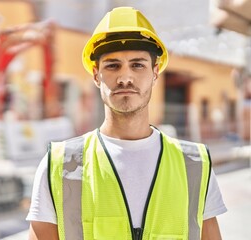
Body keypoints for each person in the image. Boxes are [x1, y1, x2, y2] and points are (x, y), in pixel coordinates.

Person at [26, 7, 227, 240]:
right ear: (95, 75)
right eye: (112, 65)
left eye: (137, 65)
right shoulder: (59, 165)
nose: (125, 78)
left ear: (155, 72)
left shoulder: (195, 165)